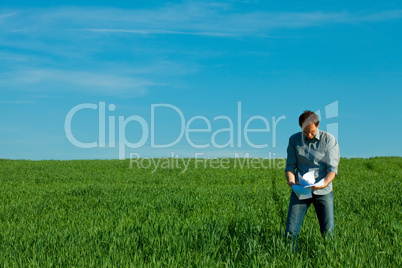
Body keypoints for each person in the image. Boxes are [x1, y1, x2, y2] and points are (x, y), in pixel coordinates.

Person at [284, 110, 340, 251]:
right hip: (301, 190)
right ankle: (288, 257)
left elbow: (332, 169)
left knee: (328, 231)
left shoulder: (329, 140)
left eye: (312, 132)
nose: (309, 135)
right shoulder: (294, 140)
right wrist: (291, 181)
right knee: (291, 231)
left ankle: (329, 258)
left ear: (318, 125)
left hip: (324, 190)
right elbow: (290, 166)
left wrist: (323, 184)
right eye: (305, 132)